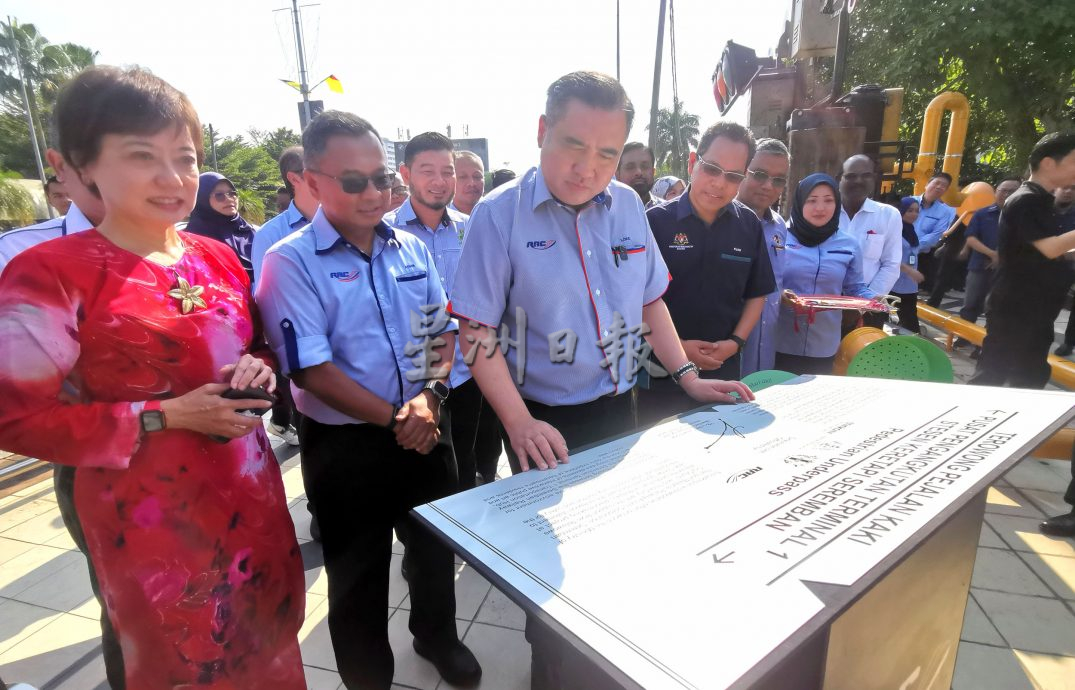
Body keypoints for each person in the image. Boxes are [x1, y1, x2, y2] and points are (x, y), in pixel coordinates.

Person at [0, 65, 305, 689]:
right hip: (151, 520)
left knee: (269, 646)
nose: (173, 180)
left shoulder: (216, 256)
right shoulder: (51, 274)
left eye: (185, 158)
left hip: (250, 496)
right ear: (80, 166)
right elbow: (15, 417)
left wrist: (260, 370)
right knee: (185, 664)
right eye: (143, 157)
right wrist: (164, 415)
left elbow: (258, 349)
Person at [449, 70, 753, 690]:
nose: (588, 168)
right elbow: (476, 333)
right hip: (541, 421)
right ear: (541, 132)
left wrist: (689, 377)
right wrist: (518, 422)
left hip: (620, 408)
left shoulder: (627, 210)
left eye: (607, 153)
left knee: (617, 550)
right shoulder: (498, 216)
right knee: (553, 570)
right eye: (572, 145)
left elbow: (650, 305)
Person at [256, 110, 481, 690]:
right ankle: (368, 677)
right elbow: (309, 370)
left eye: (382, 179)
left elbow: (442, 333)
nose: (373, 193)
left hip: (427, 426)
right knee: (357, 575)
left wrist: (430, 398)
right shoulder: (289, 261)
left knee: (433, 550)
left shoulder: (411, 249)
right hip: (346, 445)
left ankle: (436, 636)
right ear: (310, 181)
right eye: (352, 181)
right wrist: (394, 418)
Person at [638, 121, 774, 425]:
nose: (719, 183)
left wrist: (735, 343)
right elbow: (636, 301)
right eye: (712, 168)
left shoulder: (748, 226)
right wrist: (679, 348)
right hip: (660, 371)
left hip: (722, 366)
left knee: (724, 445)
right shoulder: (654, 223)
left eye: (733, 176)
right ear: (692, 162)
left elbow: (757, 292)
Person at [385, 132, 484, 489]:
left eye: (448, 171)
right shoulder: (385, 232)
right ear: (406, 174)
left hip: (470, 370)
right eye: (428, 170)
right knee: (424, 475)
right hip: (415, 380)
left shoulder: (471, 227)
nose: (440, 181)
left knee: (467, 461)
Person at [969, 132, 1075, 392]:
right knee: (993, 375)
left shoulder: (1042, 199)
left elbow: (1045, 250)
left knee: (1029, 375)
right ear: (1049, 163)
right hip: (1016, 305)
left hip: (1035, 303)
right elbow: (1050, 248)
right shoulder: (1026, 199)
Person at [776, 173, 878, 375]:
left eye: (828, 201)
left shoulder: (849, 244)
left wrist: (873, 300)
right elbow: (765, 281)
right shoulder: (779, 237)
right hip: (779, 338)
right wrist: (780, 294)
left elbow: (855, 287)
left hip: (823, 342)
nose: (820, 208)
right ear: (799, 202)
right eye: (812, 201)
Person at [736, 138, 790, 375]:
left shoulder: (779, 226)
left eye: (778, 180)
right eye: (759, 174)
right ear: (743, 170)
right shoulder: (722, 221)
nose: (768, 185)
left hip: (766, 349)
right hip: (728, 350)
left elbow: (775, 281)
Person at [837, 154, 902, 329]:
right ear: (839, 179)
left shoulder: (888, 215)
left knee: (861, 356)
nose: (858, 181)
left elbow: (891, 265)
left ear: (874, 179)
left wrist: (861, 305)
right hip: (824, 307)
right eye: (850, 176)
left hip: (868, 311)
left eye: (866, 175)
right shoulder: (822, 212)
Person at [959, 176, 1022, 329]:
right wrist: (993, 254)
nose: (1006, 194)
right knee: (970, 303)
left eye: (1012, 191)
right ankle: (964, 336)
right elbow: (971, 237)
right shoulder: (982, 213)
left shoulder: (1023, 217)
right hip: (979, 266)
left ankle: (984, 344)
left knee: (995, 307)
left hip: (1008, 269)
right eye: (1003, 190)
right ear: (995, 192)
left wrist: (1003, 258)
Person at [252, 146, 316, 286]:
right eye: (317, 169)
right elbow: (267, 298)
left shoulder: (346, 223)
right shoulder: (269, 235)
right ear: (294, 178)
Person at [185, 171, 258, 281]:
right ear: (202, 199)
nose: (229, 199)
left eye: (232, 193)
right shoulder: (190, 241)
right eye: (219, 195)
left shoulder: (252, 232)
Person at [890, 197, 924, 333]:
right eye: (910, 210)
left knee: (909, 320)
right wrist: (909, 270)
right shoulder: (894, 231)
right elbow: (888, 257)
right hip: (894, 284)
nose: (914, 214)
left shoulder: (911, 231)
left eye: (917, 211)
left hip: (910, 285)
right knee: (908, 322)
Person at [1051, 184, 1075, 355]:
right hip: (1053, 268)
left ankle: (1069, 343)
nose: (1068, 191)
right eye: (1065, 187)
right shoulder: (1044, 210)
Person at [615, 141, 657, 206]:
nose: (639, 172)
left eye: (645, 166)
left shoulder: (669, 212)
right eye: (630, 167)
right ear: (617, 174)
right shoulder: (606, 211)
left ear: (653, 172)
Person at [452, 150, 485, 215]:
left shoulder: (501, 215)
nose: (471, 183)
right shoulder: (436, 219)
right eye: (463, 177)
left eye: (477, 176)